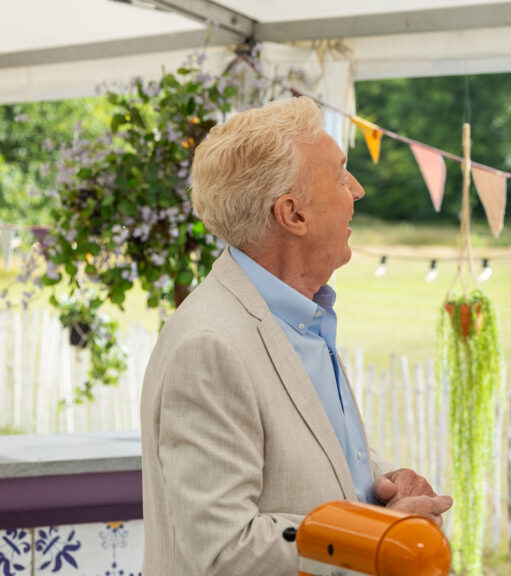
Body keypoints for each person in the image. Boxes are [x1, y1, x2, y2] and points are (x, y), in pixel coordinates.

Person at [141, 96, 452, 576]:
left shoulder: (302, 317)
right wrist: (379, 535)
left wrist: (385, 485)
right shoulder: (210, 344)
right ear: (293, 214)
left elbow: (314, 465)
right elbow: (223, 547)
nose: (357, 190)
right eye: (340, 175)